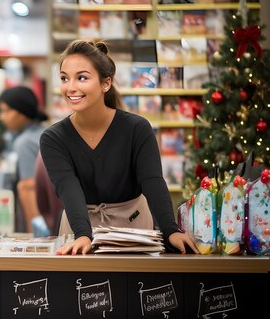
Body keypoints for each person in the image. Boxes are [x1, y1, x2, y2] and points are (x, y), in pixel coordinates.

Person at [39, 40, 199, 255]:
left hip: (133, 229)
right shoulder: (53, 137)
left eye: (82, 78)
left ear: (106, 83)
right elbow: (68, 187)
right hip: (78, 230)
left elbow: (152, 181)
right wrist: (83, 235)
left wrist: (171, 230)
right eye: (64, 78)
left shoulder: (137, 129)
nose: (71, 87)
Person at [0, 86, 49, 236]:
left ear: (22, 112)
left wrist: (35, 235)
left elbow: (28, 188)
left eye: (7, 111)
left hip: (40, 220)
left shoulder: (25, 142)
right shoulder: (42, 133)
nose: (2, 116)